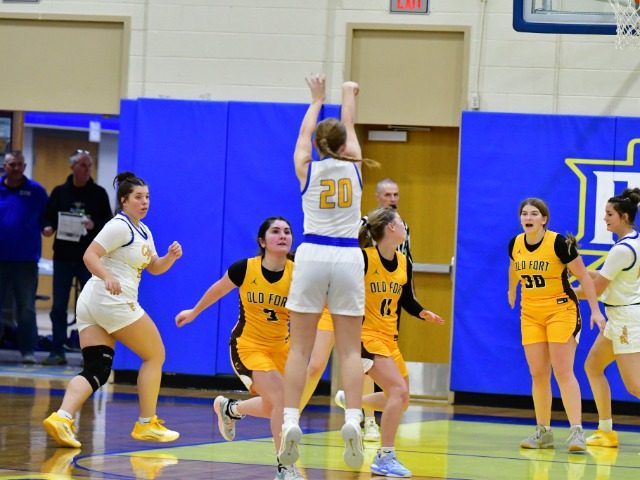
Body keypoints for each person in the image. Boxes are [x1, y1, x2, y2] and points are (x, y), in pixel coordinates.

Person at [278, 73, 380, 470]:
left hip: (312, 253)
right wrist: (348, 93)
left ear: (320, 145)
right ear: (342, 146)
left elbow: (304, 135)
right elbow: (349, 122)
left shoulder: (307, 168)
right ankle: (353, 418)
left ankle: (290, 420)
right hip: (348, 255)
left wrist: (316, 99)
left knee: (300, 349)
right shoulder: (354, 167)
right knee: (351, 349)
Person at [43, 172, 183, 448]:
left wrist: (170, 257)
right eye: (138, 197)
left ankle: (62, 417)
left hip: (94, 303)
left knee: (97, 368)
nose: (145, 202)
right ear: (124, 201)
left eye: (147, 197)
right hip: (111, 300)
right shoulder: (119, 226)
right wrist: (107, 276)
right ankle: (147, 423)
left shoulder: (144, 231)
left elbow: (154, 267)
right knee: (155, 355)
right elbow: (89, 255)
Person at [175, 216, 304, 480]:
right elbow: (218, 289)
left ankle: (231, 409)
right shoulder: (245, 268)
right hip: (248, 346)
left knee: (275, 408)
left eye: (287, 232)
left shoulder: (299, 273)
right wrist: (194, 312)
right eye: (276, 231)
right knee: (281, 400)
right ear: (262, 241)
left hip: (282, 349)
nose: (283, 235)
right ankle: (285, 467)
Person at [333, 206, 444, 477]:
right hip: (365, 336)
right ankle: (385, 456)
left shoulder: (403, 262)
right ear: (391, 227)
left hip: (389, 338)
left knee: (402, 399)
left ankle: (353, 401)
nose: (405, 226)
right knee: (397, 391)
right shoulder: (363, 258)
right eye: (401, 222)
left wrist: (422, 312)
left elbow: (406, 299)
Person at [508, 198, 605, 452]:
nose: (528, 217)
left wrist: (596, 310)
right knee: (538, 373)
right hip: (530, 314)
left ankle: (577, 432)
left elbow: (585, 277)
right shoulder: (515, 244)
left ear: (544, 219)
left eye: (534, 213)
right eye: (524, 213)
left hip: (561, 310)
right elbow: (514, 267)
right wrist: (511, 289)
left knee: (563, 371)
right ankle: (544, 432)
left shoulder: (559, 243)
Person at [573, 188, 640, 449]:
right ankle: (606, 431)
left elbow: (597, 290)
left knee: (635, 386)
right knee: (593, 366)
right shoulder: (633, 240)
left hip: (626, 320)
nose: (604, 218)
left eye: (609, 214)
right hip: (620, 316)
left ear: (624, 216)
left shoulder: (621, 250)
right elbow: (603, 276)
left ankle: (606, 431)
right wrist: (574, 269)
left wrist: (562, 291)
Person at [42, 149, 112, 366]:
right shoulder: (59, 192)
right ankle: (57, 351)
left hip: (88, 260)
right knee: (59, 306)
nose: (87, 169)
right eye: (83, 165)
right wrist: (48, 228)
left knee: (90, 307)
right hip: (63, 258)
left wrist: (93, 225)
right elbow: (48, 218)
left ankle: (89, 354)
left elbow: (109, 223)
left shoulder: (98, 193)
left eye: (89, 165)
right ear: (72, 167)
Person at [358, 178, 414, 442]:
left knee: (402, 396)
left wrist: (417, 307)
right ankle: (370, 422)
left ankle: (353, 402)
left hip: (388, 316)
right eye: (388, 194)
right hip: (365, 326)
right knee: (391, 385)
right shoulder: (364, 248)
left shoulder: (402, 247)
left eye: (396, 194)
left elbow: (406, 277)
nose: (393, 199)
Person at [0, 151, 48, 364]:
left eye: (20, 164)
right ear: (5, 166)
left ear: (25, 166)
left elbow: (48, 218)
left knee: (26, 307)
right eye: (12, 164)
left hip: (26, 259)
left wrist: (48, 227)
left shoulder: (36, 191)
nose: (16, 168)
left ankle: (28, 351)